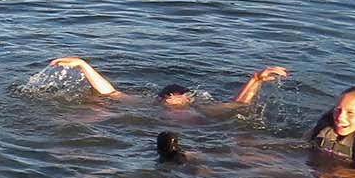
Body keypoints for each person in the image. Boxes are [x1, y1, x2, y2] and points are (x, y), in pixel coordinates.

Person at [47, 56, 287, 115]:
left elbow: (237, 105)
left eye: (174, 100)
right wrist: (82, 65)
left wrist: (255, 80)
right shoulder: (150, 105)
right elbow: (110, 91)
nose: (169, 104)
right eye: (166, 100)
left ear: (188, 98)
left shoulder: (201, 108)